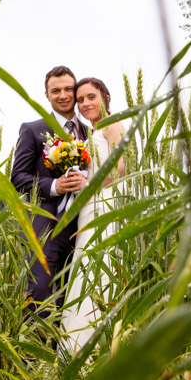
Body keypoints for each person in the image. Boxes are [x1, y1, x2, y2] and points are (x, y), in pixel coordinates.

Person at [10, 66, 90, 323]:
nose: (63, 95)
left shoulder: (91, 132)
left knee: (73, 291)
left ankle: (62, 354)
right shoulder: (32, 130)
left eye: (68, 89)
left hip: (85, 223)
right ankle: (33, 356)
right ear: (46, 94)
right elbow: (18, 178)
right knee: (40, 287)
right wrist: (55, 186)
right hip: (47, 222)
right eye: (56, 91)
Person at [59, 77, 125, 355]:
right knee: (85, 266)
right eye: (81, 99)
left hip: (105, 205)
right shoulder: (88, 134)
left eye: (91, 97)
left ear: (105, 97)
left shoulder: (112, 124)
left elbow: (120, 168)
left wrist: (89, 185)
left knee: (102, 265)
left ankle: (97, 343)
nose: (85, 103)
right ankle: (79, 345)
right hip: (90, 208)